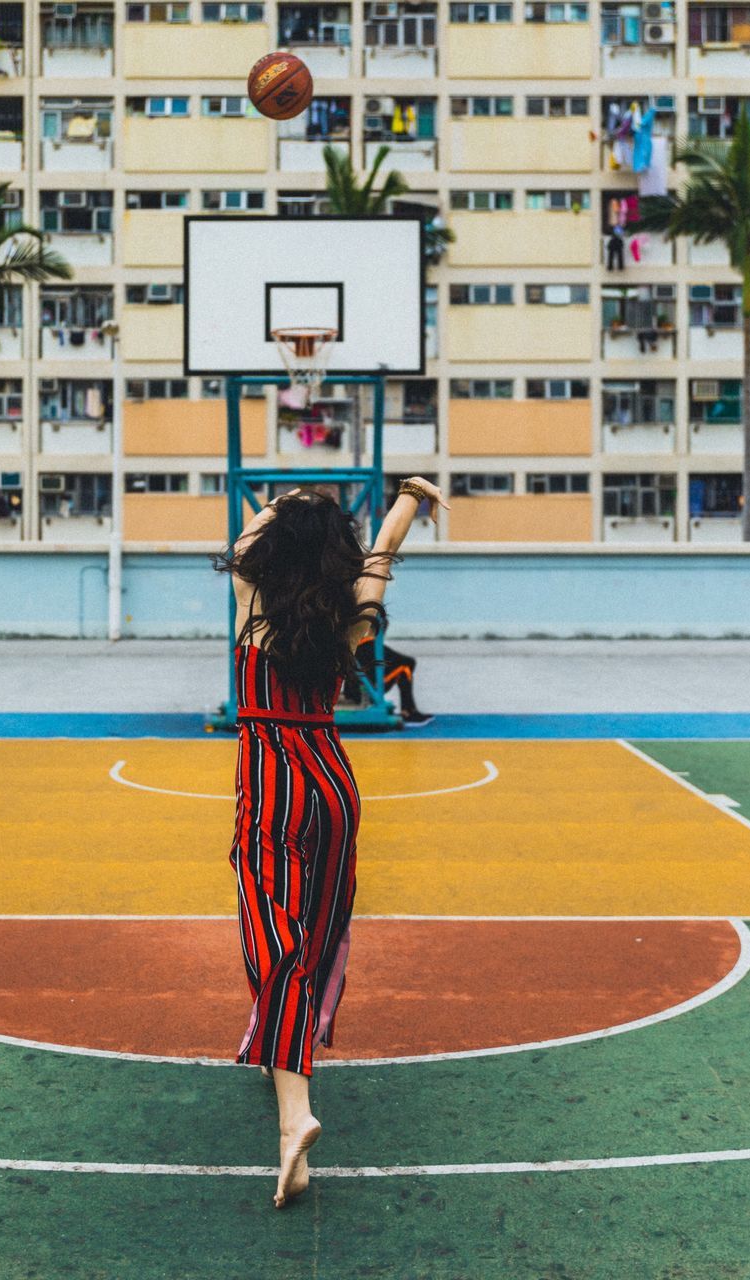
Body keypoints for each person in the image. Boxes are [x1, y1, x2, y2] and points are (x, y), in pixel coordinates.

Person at [212, 476, 448, 1209]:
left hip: (273, 775)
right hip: (333, 780)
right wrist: (408, 502)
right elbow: (379, 555)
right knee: (312, 937)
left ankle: (294, 1118)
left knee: (272, 936)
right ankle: (278, 1055)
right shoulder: (349, 614)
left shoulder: (253, 605)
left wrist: (287, 500)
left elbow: (246, 543)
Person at [346, 634, 434, 726]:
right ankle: (408, 711)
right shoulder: (365, 645)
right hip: (361, 692)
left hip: (356, 690)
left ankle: (409, 710)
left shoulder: (364, 644)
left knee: (405, 666)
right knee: (406, 665)